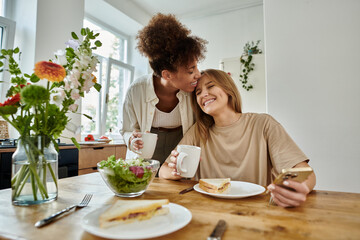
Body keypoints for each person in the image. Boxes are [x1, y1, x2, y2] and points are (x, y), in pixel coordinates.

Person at [159, 69, 316, 208]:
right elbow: (163, 171)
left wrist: (298, 188)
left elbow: (304, 172)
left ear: (228, 89)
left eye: (211, 86)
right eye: (198, 92)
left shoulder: (263, 124)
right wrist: (175, 171)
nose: (204, 94)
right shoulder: (197, 132)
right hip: (209, 209)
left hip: (258, 212)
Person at [120, 13, 207, 164]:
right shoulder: (136, 90)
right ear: (167, 75)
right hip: (147, 149)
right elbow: (127, 130)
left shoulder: (196, 90)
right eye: (190, 71)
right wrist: (131, 140)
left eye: (196, 67)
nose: (198, 74)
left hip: (180, 145)